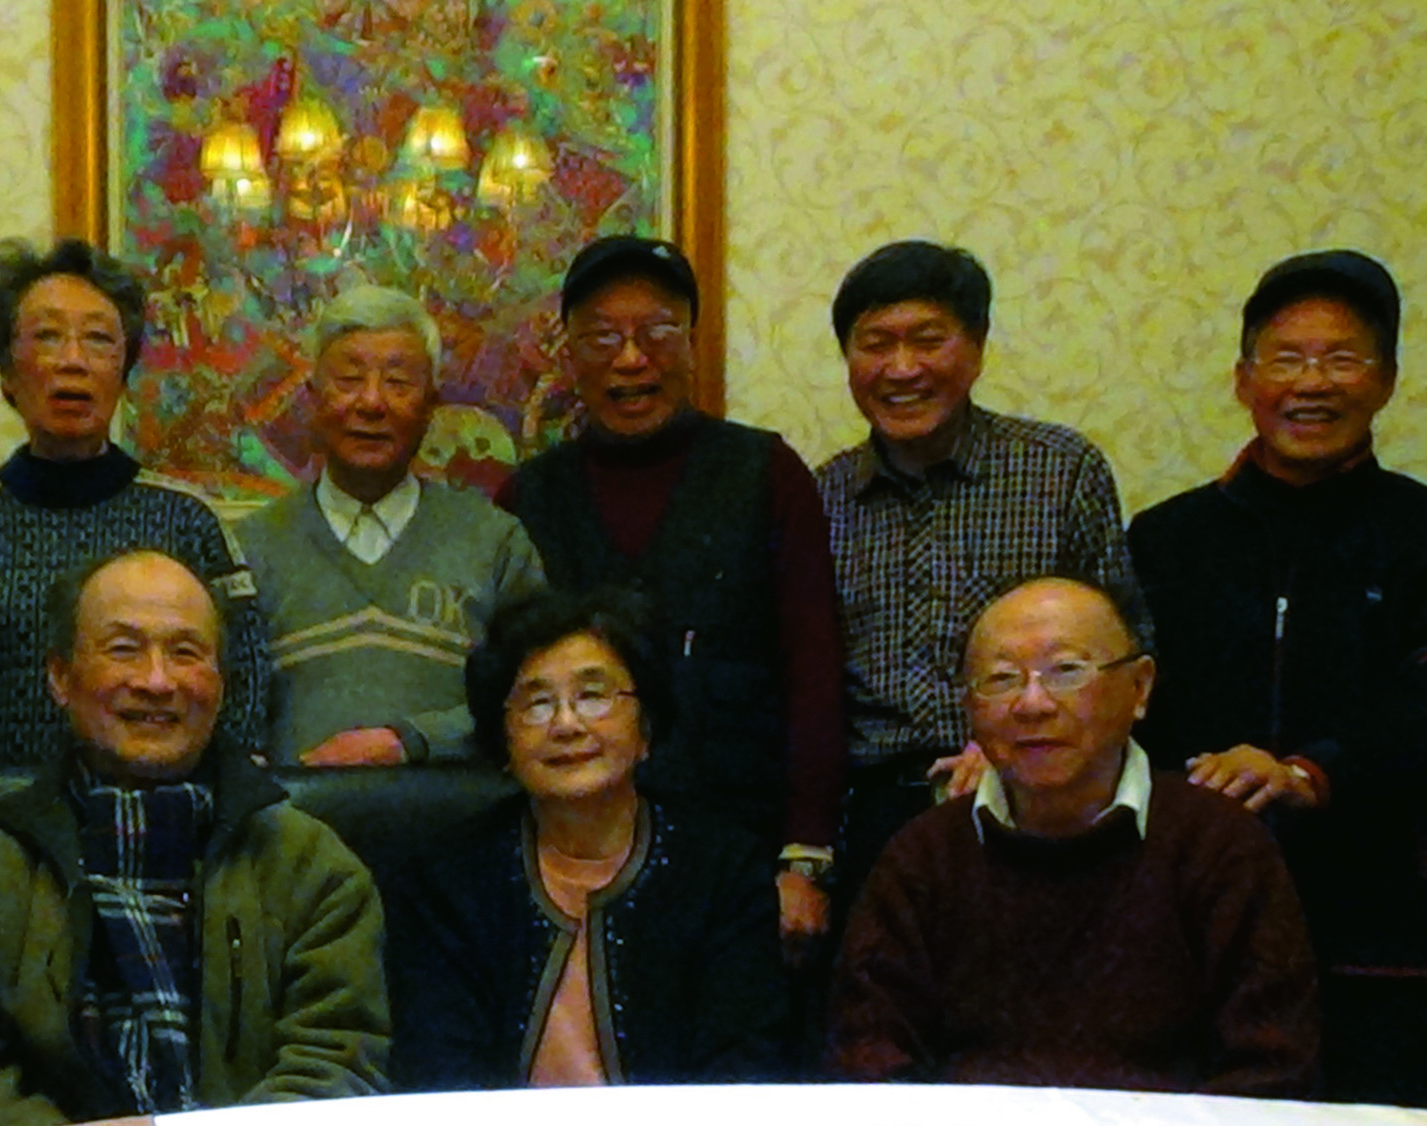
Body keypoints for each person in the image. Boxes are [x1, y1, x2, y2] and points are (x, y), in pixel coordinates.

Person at [1128, 250, 1427, 1107]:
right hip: (1195, 905)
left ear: (1387, 380)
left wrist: (1307, 772)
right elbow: (1130, 708)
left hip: (1380, 907)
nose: (1312, 383)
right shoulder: (1167, 538)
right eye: (1287, 359)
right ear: (1244, 380)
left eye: (1342, 359)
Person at [0, 549, 387, 1125]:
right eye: (124, 649)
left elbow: (337, 1062)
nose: (156, 681)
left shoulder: (311, 865)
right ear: (60, 677)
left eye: (185, 653)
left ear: (220, 683)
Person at [828, 576, 1318, 1096]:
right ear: (969, 707)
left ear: (1139, 688)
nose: (1032, 703)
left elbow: (1274, 1066)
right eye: (1001, 678)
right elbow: (867, 1058)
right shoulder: (925, 856)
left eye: (1066, 671)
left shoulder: (1219, 845)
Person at [496, 234, 846, 955]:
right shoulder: (527, 498)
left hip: (744, 853)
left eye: (657, 331)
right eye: (602, 337)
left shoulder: (766, 473)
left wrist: (805, 855)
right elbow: (506, 690)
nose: (631, 358)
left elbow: (814, 671)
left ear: (691, 343)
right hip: (572, 859)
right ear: (570, 356)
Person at [813, 240, 1147, 905]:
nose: (901, 368)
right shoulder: (821, 497)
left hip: (1033, 800)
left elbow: (1125, 649)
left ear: (977, 347)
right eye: (876, 344)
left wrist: (1004, 747)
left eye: (927, 340)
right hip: (871, 820)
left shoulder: (1059, 471)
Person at [384, 587, 788, 1090]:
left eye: (593, 696)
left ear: (646, 727)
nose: (566, 724)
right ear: (504, 741)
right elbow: (440, 1077)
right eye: (537, 704)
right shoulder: (446, 882)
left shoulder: (721, 871)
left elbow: (743, 1069)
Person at [0, 237, 271, 770]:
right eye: (47, 337)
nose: (73, 361)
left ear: (124, 372)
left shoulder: (189, 519)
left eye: (98, 339)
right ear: (7, 371)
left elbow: (244, 682)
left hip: (163, 808)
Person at [235, 284, 545, 765]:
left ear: (431, 406)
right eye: (349, 380)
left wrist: (412, 742)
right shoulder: (248, 549)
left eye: (398, 383)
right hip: (293, 812)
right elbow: (219, 710)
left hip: (465, 810)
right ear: (313, 399)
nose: (371, 402)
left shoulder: (496, 542)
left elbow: (540, 697)